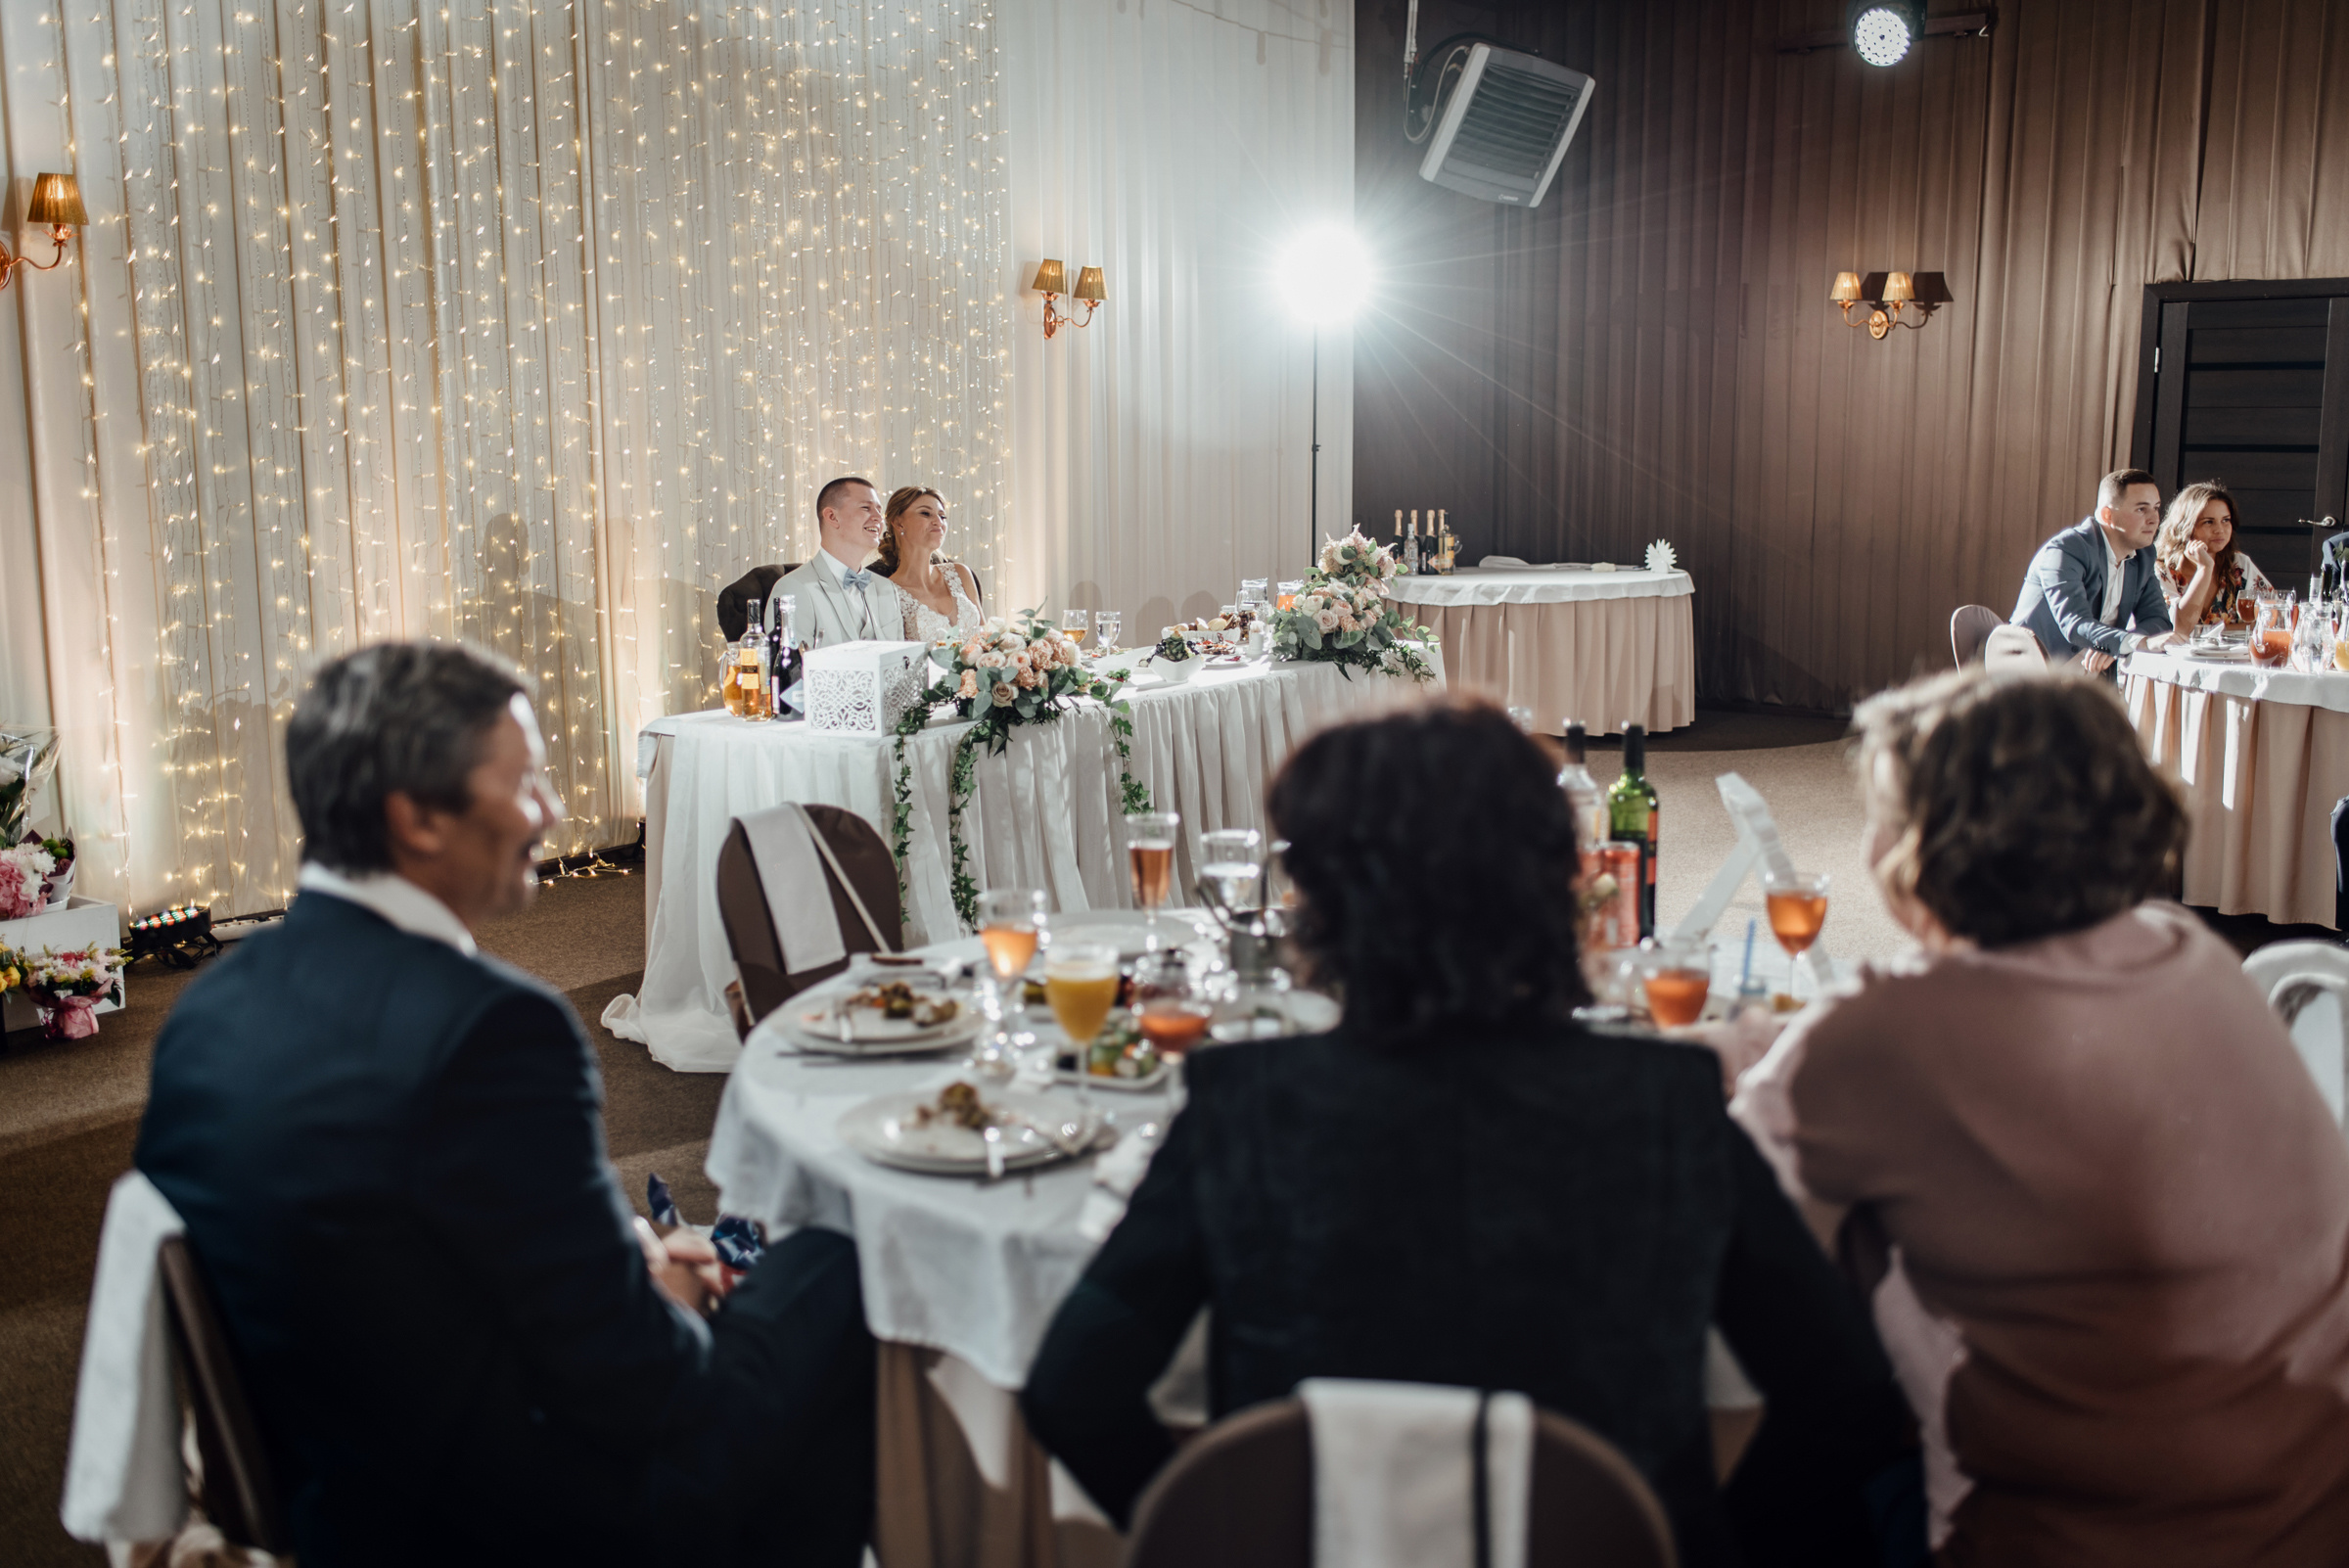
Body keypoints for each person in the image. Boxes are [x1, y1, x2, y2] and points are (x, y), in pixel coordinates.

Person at [1020, 700, 1912, 1568]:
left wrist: (1219, 1539)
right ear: (1557, 886)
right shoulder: (1665, 1104)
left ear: (1324, 911)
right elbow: (1852, 1399)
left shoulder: (1245, 1105)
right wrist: (1684, 1537)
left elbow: (1072, 1389)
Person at [134, 644, 876, 1567]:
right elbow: (641, 1383)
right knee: (843, 1257)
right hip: (516, 1514)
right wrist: (677, 1294)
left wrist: (629, 1264)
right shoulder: (493, 1028)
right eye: (525, 784)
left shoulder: (209, 1008)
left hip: (336, 1489)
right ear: (416, 818)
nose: (552, 813)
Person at [1725, 668, 2349, 1565]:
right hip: (2311, 1515)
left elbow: (1711, 1219)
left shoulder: (1880, 1034)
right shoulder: (2191, 957)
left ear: (1923, 846)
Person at [2011, 467, 2179, 674]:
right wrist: (2131, 643)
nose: (2154, 519)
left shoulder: (2144, 555)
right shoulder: (2066, 549)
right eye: (2141, 509)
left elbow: (2158, 620)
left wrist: (2118, 644)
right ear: (2108, 515)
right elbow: (2075, 624)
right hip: (2032, 673)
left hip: (2093, 677)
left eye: (2156, 508)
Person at [771, 475, 908, 647]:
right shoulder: (793, 589)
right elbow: (791, 670)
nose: (878, 518)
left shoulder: (886, 588)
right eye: (866, 508)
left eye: (879, 510)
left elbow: (901, 660)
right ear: (832, 517)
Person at [874, 484, 985, 645]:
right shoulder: (886, 593)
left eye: (942, 516)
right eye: (925, 513)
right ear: (899, 524)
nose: (938, 522)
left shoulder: (960, 573)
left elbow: (988, 641)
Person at [2153, 479, 2266, 631]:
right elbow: (2180, 630)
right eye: (2208, 522)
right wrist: (2204, 569)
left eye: (2226, 520)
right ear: (2185, 526)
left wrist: (2208, 632)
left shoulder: (2239, 564)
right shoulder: (2162, 571)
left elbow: (2276, 617)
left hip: (2234, 656)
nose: (2220, 529)